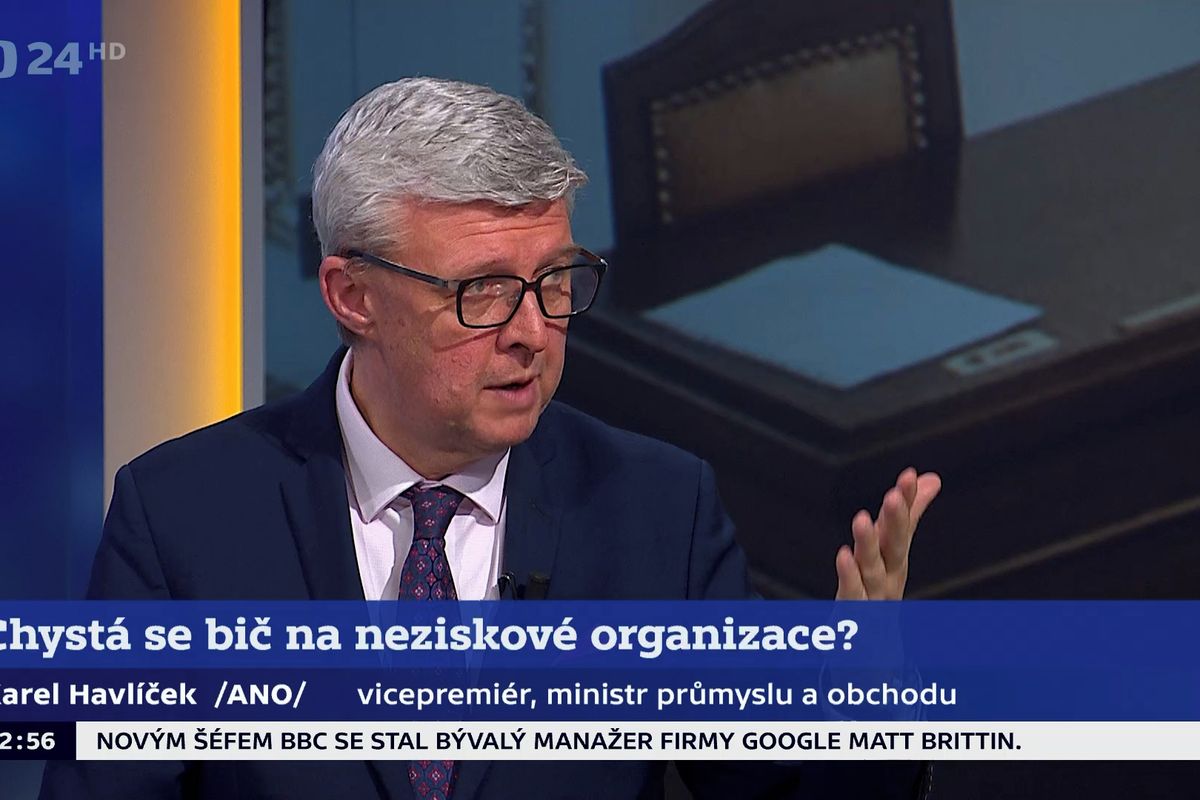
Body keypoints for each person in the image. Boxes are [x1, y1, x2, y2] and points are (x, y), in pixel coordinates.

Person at [41, 78, 940, 799]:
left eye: (556, 280)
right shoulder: (184, 519)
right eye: (484, 291)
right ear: (353, 297)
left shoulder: (657, 512)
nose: (534, 333)